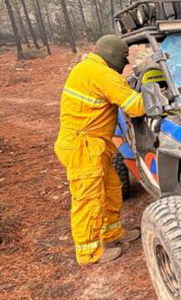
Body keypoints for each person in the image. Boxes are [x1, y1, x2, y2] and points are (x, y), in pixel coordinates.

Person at [55, 35, 146, 265]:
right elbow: (135, 106)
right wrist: (161, 99)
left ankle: (112, 234)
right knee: (89, 199)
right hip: (82, 147)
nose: (124, 65)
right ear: (114, 55)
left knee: (111, 189)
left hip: (93, 146)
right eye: (124, 59)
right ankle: (88, 252)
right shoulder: (101, 74)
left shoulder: (89, 67)